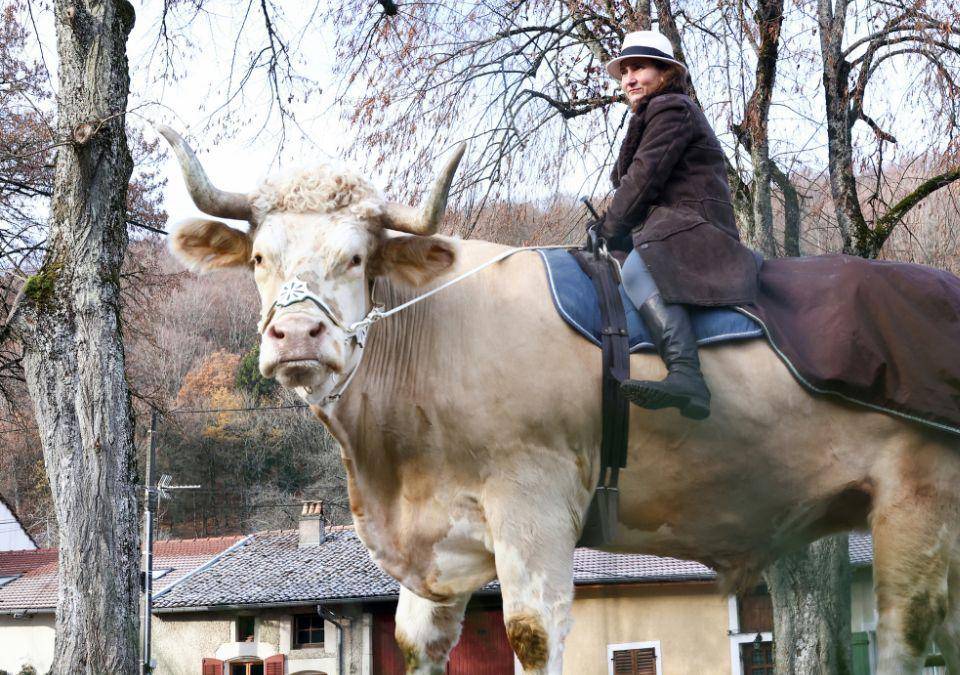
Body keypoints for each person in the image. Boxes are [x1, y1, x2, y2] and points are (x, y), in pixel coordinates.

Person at [588, 30, 759, 420]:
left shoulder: (672, 110)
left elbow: (643, 180)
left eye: (640, 68)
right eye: (625, 71)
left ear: (664, 72)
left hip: (694, 226)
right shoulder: (654, 114)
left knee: (636, 267)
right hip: (669, 225)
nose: (629, 78)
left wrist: (609, 226)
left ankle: (687, 374)